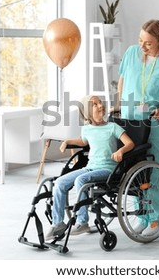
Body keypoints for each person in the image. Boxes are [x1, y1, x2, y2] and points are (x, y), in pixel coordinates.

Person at [114, 19, 159, 236]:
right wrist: (118, 106)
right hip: (129, 121)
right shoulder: (132, 53)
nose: (142, 47)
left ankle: (155, 219)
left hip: (152, 124)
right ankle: (141, 216)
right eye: (140, 41)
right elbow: (122, 80)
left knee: (151, 170)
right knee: (133, 171)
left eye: (148, 43)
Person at [46, 96, 134, 240]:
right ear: (87, 112)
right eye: (95, 104)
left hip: (107, 170)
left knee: (81, 180)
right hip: (90, 167)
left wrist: (120, 151)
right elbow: (83, 141)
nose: (100, 106)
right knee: (60, 183)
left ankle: (82, 221)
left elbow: (129, 143)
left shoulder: (113, 127)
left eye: (100, 103)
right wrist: (67, 141)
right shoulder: (87, 129)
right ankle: (58, 223)